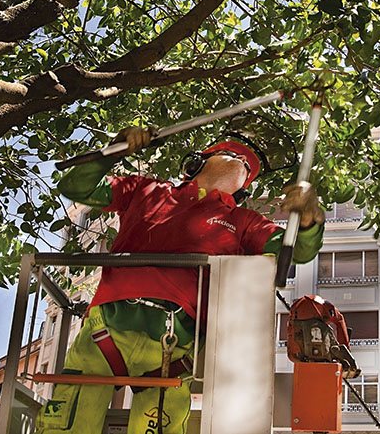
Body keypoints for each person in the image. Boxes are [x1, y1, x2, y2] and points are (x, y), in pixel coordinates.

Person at [37, 126, 325, 434]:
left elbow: (297, 251)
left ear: (244, 189)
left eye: (245, 164)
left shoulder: (243, 222)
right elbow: (76, 188)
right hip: (105, 327)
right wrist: (113, 151)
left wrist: (309, 218)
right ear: (196, 163)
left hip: (173, 347)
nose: (238, 160)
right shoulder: (145, 191)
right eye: (230, 153)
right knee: (64, 427)